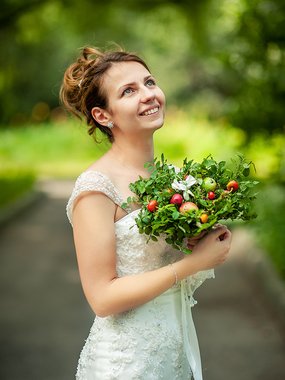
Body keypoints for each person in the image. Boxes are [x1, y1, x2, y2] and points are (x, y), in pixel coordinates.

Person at [60, 46, 232, 380]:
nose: (148, 95)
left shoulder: (169, 178)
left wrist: (202, 236)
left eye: (149, 82)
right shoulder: (95, 189)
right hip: (128, 362)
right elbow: (102, 298)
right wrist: (193, 264)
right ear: (103, 115)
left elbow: (157, 259)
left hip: (174, 346)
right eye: (129, 91)